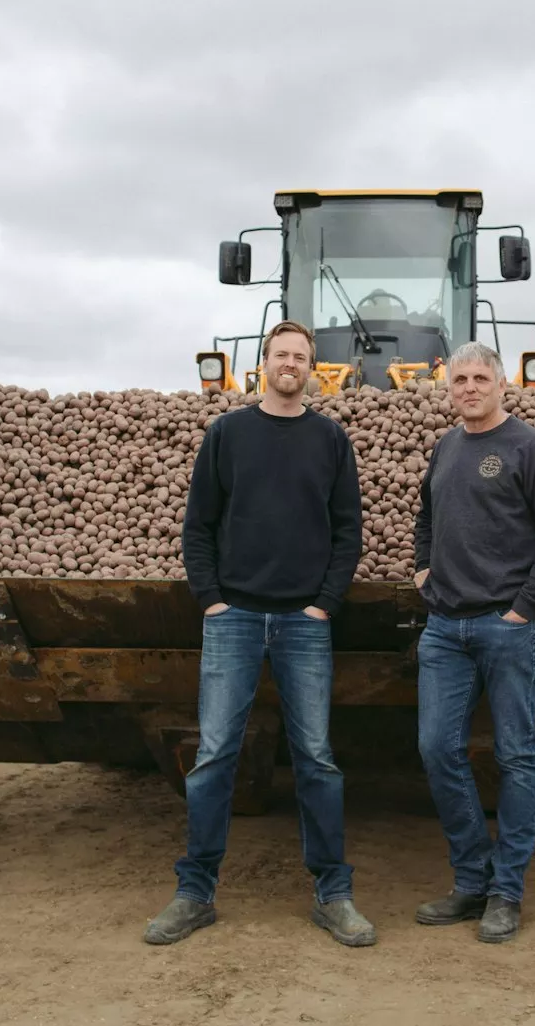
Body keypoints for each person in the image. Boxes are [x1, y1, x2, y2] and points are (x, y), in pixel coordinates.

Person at [144, 320, 375, 947]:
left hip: (304, 621)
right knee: (215, 753)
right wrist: (211, 600)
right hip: (235, 619)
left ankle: (333, 894)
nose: (290, 364)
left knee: (318, 759)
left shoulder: (331, 439)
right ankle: (195, 892)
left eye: (301, 357)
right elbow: (199, 525)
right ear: (264, 363)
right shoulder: (228, 433)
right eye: (281, 355)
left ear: (312, 368)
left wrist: (324, 605)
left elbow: (347, 530)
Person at [411, 341, 535, 944]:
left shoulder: (532, 449)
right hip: (444, 629)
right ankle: (471, 880)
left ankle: (506, 892)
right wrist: (422, 568)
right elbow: (426, 515)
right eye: (461, 379)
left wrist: (523, 612)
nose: (471, 387)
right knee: (436, 748)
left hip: (507, 628)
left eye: (482, 377)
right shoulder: (447, 446)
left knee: (516, 755)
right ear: (448, 387)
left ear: (502, 384)